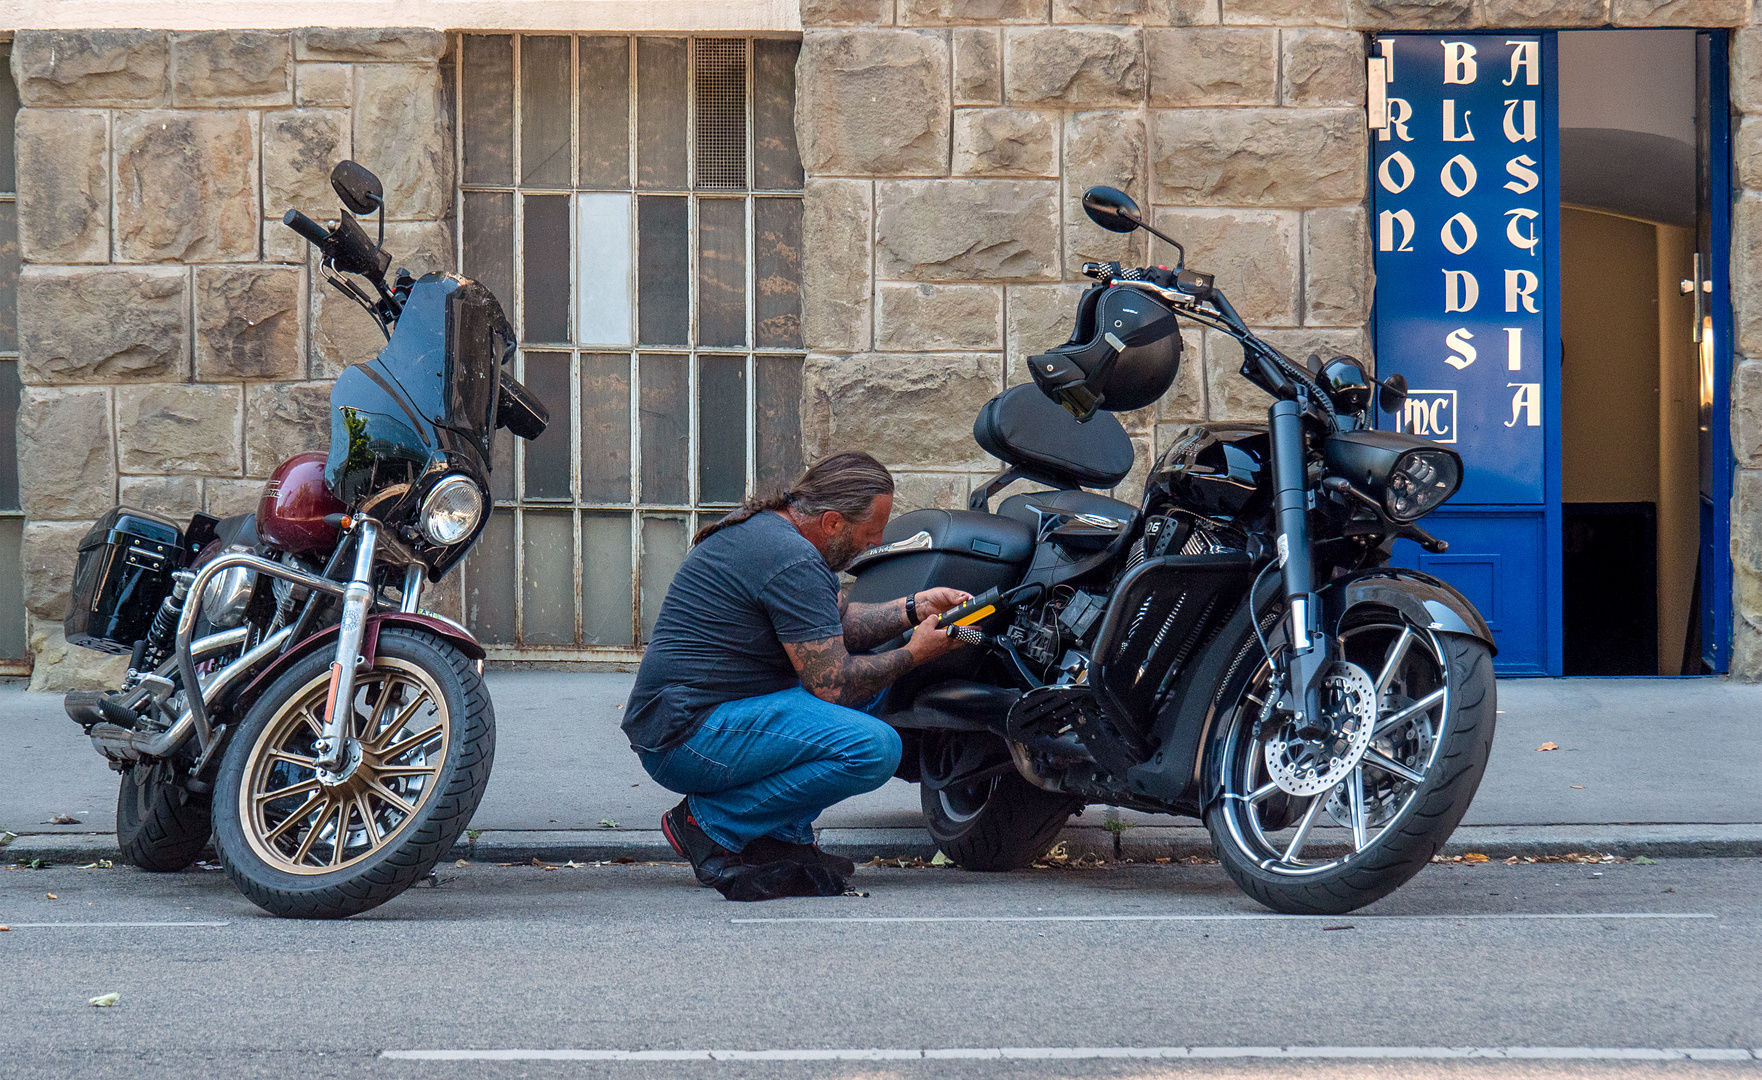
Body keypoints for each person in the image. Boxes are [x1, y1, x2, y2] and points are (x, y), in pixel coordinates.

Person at [622, 451, 970, 893]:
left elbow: (836, 623)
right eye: (871, 532)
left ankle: (777, 838)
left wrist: (913, 608)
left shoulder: (777, 535)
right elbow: (833, 684)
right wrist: (917, 653)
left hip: (702, 719)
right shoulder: (790, 558)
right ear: (832, 522)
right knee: (874, 747)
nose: (876, 542)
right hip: (687, 737)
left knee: (878, 687)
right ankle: (708, 823)